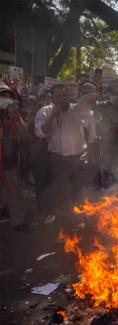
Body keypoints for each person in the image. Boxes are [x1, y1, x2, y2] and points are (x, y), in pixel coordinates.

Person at [34, 83, 97, 215]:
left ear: (68, 96)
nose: (62, 99)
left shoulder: (77, 109)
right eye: (58, 96)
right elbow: (40, 132)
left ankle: (78, 217)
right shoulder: (44, 111)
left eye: (64, 95)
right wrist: (53, 115)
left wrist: (92, 103)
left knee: (79, 189)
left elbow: (91, 118)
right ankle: (64, 220)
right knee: (61, 191)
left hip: (79, 158)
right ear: (53, 98)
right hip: (58, 160)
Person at [0, 83, 29, 231]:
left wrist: (16, 117)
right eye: (1, 96)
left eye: (7, 96)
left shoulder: (13, 114)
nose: (4, 99)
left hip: (10, 160)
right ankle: (5, 207)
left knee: (15, 190)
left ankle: (18, 221)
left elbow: (24, 134)